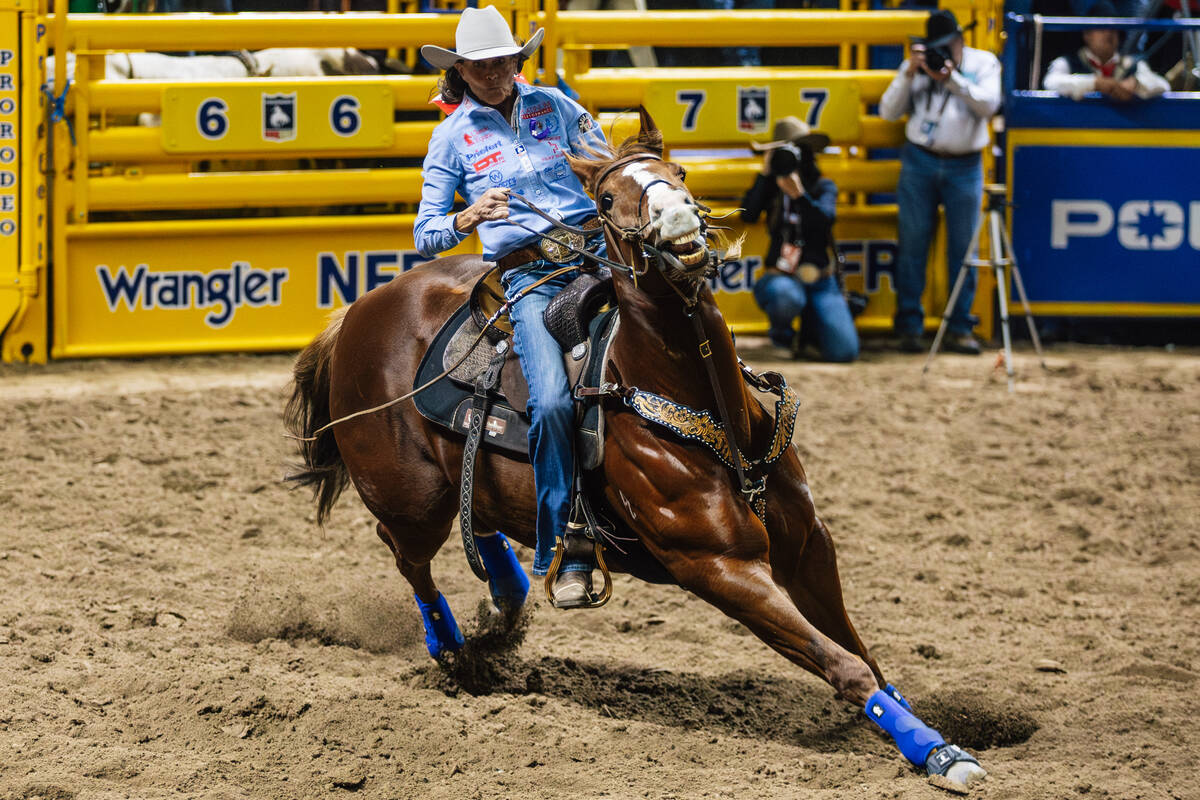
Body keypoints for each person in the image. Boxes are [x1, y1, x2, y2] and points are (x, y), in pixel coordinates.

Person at [415, 6, 608, 609]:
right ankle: (558, 548)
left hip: (599, 257)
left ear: (516, 60)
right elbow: (426, 234)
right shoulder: (451, 137)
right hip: (529, 278)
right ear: (462, 72)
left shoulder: (558, 105)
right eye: (480, 65)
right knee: (550, 398)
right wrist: (468, 216)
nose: (494, 72)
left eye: (502, 60)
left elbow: (605, 167)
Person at [879, 9, 1001, 355]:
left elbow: (989, 106)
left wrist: (952, 79)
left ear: (960, 40)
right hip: (919, 159)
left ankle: (960, 326)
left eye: (946, 46)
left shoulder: (984, 63)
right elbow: (888, 111)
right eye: (935, 48)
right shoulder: (918, 69)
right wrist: (909, 71)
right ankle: (908, 325)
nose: (942, 54)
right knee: (913, 243)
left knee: (964, 247)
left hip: (966, 164)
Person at [741, 117, 859, 363]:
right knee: (786, 296)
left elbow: (825, 222)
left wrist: (800, 196)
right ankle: (782, 338)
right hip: (782, 277)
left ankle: (809, 336)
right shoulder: (772, 186)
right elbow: (749, 214)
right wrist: (765, 174)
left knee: (844, 351)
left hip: (821, 279)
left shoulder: (822, 186)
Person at [1043, 0, 1170, 101]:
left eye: (1113, 29)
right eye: (1101, 28)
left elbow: (1163, 86)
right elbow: (1051, 83)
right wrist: (1095, 83)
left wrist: (1137, 84)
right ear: (1087, 35)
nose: (1108, 33)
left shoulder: (1130, 64)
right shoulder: (1068, 62)